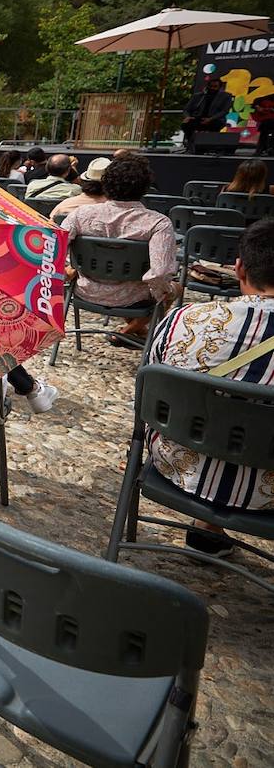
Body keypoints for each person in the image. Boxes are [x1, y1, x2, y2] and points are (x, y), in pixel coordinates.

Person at [145, 218, 274, 554]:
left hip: (179, 461)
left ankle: (208, 524)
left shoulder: (182, 320)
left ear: (240, 269)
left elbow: (149, 393)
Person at [60, 158, 176, 347]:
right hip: (133, 297)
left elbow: (54, 250)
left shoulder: (80, 215)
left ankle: (130, 332)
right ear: (146, 187)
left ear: (105, 184)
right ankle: (131, 332)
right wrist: (160, 293)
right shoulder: (158, 223)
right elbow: (159, 273)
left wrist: (67, 273)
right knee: (172, 289)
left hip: (85, 291)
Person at [182, 77, 235, 151]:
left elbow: (224, 111)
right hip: (198, 118)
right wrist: (187, 117)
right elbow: (186, 109)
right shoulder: (199, 96)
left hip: (215, 119)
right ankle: (191, 144)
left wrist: (210, 119)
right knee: (186, 125)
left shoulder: (226, 96)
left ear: (220, 87)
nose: (212, 88)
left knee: (214, 126)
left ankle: (209, 147)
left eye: (215, 87)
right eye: (211, 86)